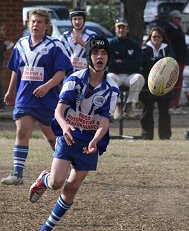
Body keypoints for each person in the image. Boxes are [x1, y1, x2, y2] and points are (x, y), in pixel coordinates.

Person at [28, 36, 119, 231]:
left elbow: (104, 122)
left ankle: (47, 228)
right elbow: (59, 111)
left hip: (90, 142)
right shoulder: (74, 79)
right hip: (68, 135)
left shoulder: (112, 88)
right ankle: (44, 178)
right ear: (89, 57)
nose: (100, 57)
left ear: (108, 58)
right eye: (95, 53)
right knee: (56, 183)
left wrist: (95, 140)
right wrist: (65, 126)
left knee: (72, 188)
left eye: (104, 53)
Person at [1, 9, 72, 185]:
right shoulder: (21, 44)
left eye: (40, 22)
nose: (35, 25)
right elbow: (16, 70)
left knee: (51, 137)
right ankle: (17, 174)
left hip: (47, 99)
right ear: (28, 24)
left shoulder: (55, 45)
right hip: (25, 98)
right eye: (33, 21)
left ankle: (67, 168)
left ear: (46, 26)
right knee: (22, 131)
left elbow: (61, 72)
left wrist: (47, 86)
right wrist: (11, 91)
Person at [140, 27, 175, 140]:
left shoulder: (168, 49)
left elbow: (172, 63)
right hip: (147, 85)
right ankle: (146, 135)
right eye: (154, 36)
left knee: (164, 112)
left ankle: (165, 136)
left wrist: (154, 62)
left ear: (162, 38)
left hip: (165, 85)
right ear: (150, 37)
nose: (156, 39)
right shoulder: (144, 49)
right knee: (147, 111)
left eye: (159, 36)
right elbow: (144, 64)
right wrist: (161, 63)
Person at [107, 18, 145, 119]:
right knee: (109, 77)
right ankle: (118, 106)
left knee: (139, 78)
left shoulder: (135, 45)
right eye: (119, 27)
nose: (121, 30)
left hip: (130, 75)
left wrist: (120, 62)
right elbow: (109, 64)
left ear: (127, 29)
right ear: (115, 29)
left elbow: (137, 63)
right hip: (116, 75)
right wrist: (127, 63)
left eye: (123, 27)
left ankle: (130, 105)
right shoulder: (110, 44)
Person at [164, 10, 188, 115]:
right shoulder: (168, 29)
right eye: (178, 18)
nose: (180, 20)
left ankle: (176, 104)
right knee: (173, 82)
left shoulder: (178, 29)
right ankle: (170, 105)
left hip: (181, 60)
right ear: (172, 18)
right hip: (174, 59)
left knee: (179, 83)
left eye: (180, 18)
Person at [60, 8, 96, 72]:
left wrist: (84, 44)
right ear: (71, 20)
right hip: (68, 75)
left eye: (80, 19)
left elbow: (98, 53)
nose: (77, 22)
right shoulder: (64, 37)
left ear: (84, 20)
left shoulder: (92, 36)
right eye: (74, 19)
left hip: (87, 74)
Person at [0, 23, 14, 112]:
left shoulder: (3, 43)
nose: (3, 32)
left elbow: (11, 44)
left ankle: (1, 106)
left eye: (4, 30)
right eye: (2, 30)